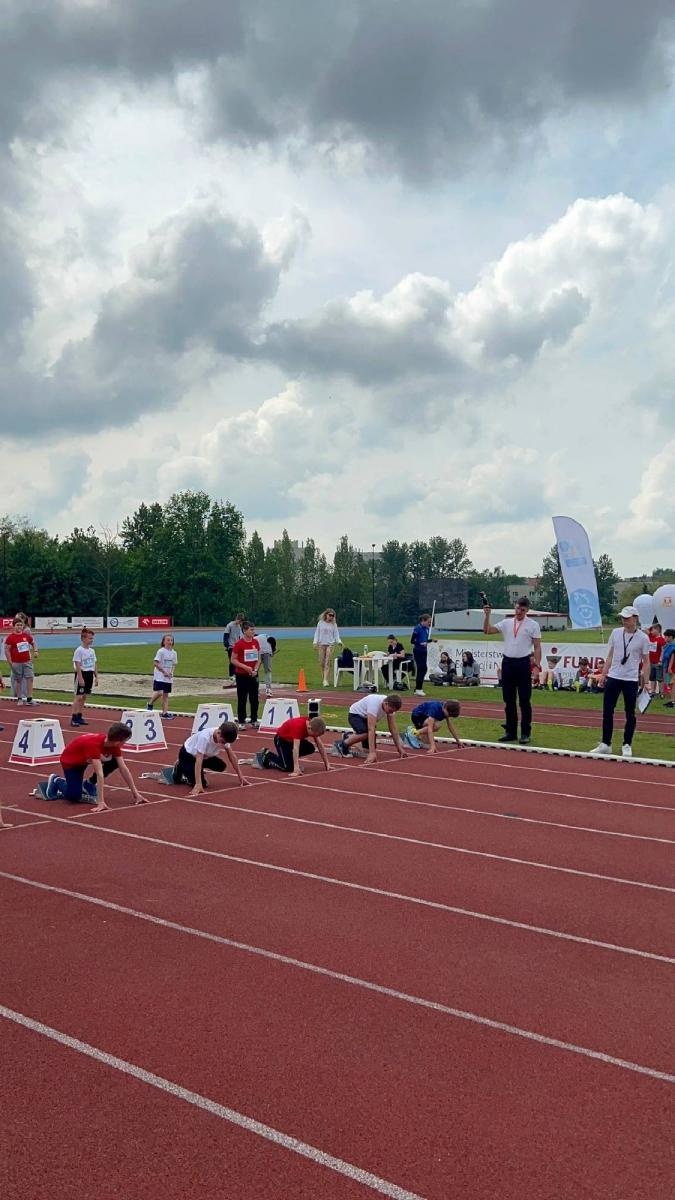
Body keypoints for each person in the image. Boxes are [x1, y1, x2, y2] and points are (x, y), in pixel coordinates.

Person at [44, 722, 147, 813]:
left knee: (115, 761)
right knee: (74, 796)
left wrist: (136, 794)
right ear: (118, 741)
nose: (125, 743)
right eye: (125, 740)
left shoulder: (114, 745)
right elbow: (99, 773)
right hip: (71, 762)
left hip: (84, 760)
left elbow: (123, 769)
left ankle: (89, 784)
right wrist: (100, 802)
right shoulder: (93, 745)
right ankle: (57, 780)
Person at [590, 606, 651, 757]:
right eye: (623, 618)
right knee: (607, 711)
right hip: (614, 677)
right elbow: (610, 655)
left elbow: (646, 661)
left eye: (627, 618)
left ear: (635, 618)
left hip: (630, 679)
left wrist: (646, 681)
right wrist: (604, 674)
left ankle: (627, 744)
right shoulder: (616, 633)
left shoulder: (643, 638)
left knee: (630, 713)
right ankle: (605, 743)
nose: (624, 621)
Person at [483, 596, 541, 745]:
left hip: (523, 663)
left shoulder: (533, 625)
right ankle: (510, 731)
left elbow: (537, 646)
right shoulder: (507, 623)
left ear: (527, 610)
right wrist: (487, 615)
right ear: (514, 607)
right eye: (517, 608)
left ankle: (525, 732)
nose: (519, 612)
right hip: (508, 662)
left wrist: (536, 667)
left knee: (524, 700)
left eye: (522, 610)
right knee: (508, 700)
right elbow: (487, 631)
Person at [172, 720, 248, 795]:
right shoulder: (205, 737)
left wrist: (240, 776)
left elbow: (232, 756)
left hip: (206, 756)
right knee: (202, 784)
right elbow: (198, 760)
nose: (223, 744)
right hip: (188, 755)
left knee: (221, 766)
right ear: (218, 733)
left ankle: (193, 770)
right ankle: (180, 766)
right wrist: (198, 784)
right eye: (222, 742)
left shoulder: (225, 736)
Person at [333, 693, 407, 765]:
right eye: (390, 710)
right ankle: (341, 745)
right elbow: (371, 729)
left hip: (366, 718)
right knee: (365, 733)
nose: (391, 713)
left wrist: (399, 748)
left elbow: (393, 729)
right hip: (355, 715)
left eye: (393, 711)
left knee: (367, 750)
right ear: (386, 703)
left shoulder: (390, 707)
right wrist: (372, 753)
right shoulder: (374, 704)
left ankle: (349, 737)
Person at [251, 714, 332, 777]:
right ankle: (266, 755)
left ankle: (289, 759)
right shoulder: (299, 727)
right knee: (286, 767)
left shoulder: (312, 724)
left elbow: (320, 745)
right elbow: (295, 748)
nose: (314, 736)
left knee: (310, 748)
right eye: (314, 734)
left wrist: (327, 763)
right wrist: (296, 769)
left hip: (292, 741)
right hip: (282, 740)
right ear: (309, 728)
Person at [231, 620, 261, 727]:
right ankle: (242, 721)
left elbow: (258, 658)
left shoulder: (256, 642)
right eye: (251, 630)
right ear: (245, 630)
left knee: (254, 699)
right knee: (242, 699)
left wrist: (255, 670)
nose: (253, 632)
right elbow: (233, 659)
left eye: (254, 629)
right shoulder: (239, 644)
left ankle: (254, 719)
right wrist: (246, 667)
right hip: (242, 675)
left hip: (253, 674)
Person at [4, 615, 38, 705]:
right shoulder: (10, 637)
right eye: (17, 625)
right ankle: (19, 698)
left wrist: (35, 651)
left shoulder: (25, 635)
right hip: (16, 662)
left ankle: (29, 698)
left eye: (21, 625)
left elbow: (33, 642)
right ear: (14, 626)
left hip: (27, 661)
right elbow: (6, 650)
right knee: (18, 680)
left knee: (30, 678)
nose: (19, 627)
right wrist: (10, 662)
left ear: (23, 626)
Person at [71, 627, 98, 727]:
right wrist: (80, 678)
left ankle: (79, 715)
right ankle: (73, 717)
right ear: (83, 639)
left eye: (92, 638)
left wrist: (96, 676)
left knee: (84, 697)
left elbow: (94, 664)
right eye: (89, 638)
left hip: (89, 674)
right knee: (79, 696)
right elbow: (77, 664)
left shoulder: (92, 651)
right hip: (82, 673)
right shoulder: (79, 650)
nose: (91, 640)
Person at [147, 634, 178, 719]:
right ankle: (150, 703)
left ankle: (165, 713)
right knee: (160, 692)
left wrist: (171, 672)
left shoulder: (174, 653)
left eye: (171, 640)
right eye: (167, 640)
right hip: (160, 675)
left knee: (165, 695)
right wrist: (163, 671)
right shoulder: (161, 651)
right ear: (164, 642)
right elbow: (156, 663)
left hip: (168, 676)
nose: (170, 642)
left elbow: (174, 664)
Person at [313, 609, 342, 686]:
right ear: (326, 615)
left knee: (327, 662)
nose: (331, 617)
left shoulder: (334, 624)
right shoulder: (320, 623)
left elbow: (336, 634)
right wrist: (315, 642)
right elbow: (317, 633)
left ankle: (325, 680)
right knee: (321, 662)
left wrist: (339, 641)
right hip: (321, 644)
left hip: (330, 644)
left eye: (333, 615)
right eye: (330, 615)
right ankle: (324, 679)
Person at [410, 613, 433, 696]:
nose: (430, 624)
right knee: (421, 669)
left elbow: (425, 640)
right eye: (428, 622)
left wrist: (431, 641)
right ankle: (418, 689)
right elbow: (412, 640)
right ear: (423, 621)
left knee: (424, 669)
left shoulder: (426, 629)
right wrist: (420, 643)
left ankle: (417, 688)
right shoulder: (417, 628)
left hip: (424, 651)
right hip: (418, 651)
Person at [223, 613, 245, 680]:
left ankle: (236, 674)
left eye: (241, 622)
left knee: (238, 661)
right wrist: (226, 645)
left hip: (237, 645)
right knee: (232, 661)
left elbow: (239, 636)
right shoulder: (230, 625)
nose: (240, 623)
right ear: (237, 619)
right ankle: (231, 675)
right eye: (240, 621)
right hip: (231, 646)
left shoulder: (239, 626)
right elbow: (225, 635)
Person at [647, 622, 666, 697]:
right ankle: (653, 691)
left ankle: (661, 692)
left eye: (653, 630)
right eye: (651, 630)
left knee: (660, 678)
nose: (651, 631)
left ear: (658, 630)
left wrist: (661, 660)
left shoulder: (661, 640)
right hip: (650, 661)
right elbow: (647, 631)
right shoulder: (651, 637)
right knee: (652, 677)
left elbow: (663, 651)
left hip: (658, 662)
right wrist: (650, 629)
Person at [257, 633, 277, 698]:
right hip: (267, 652)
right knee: (268, 671)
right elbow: (273, 641)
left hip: (258, 652)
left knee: (255, 671)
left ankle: (256, 691)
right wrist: (273, 651)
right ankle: (268, 689)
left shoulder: (255, 638)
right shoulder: (267, 636)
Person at [662, 630, 675, 707]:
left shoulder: (673, 647)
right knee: (668, 684)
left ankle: (672, 701)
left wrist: (670, 668)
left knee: (672, 684)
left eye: (666, 636)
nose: (665, 638)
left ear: (670, 637)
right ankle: (671, 700)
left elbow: (672, 658)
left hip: (671, 668)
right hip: (666, 667)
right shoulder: (667, 645)